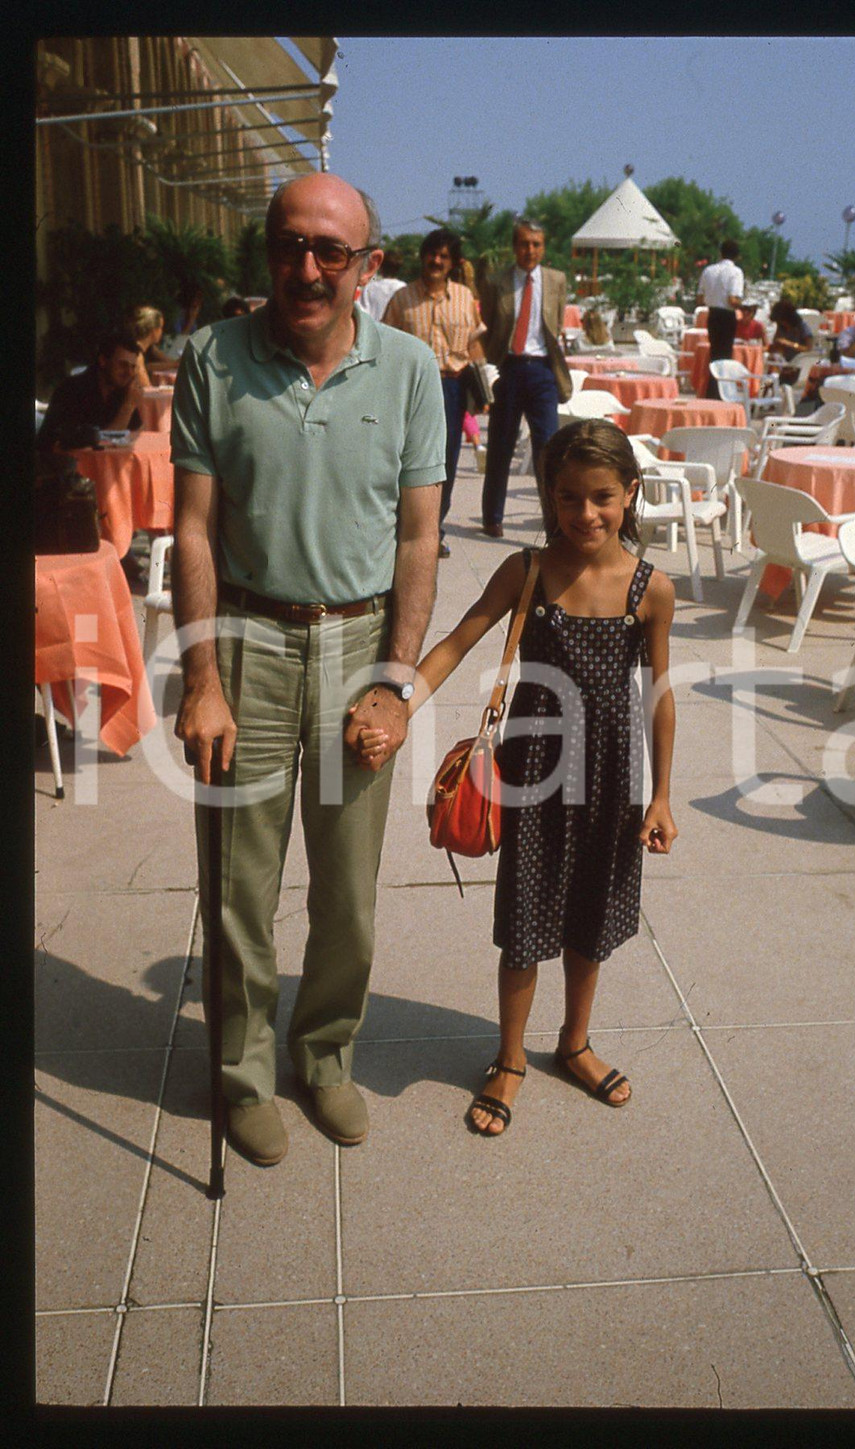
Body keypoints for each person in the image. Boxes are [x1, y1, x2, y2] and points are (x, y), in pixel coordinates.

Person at [169, 172, 445, 1167]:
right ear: (268, 252)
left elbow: (420, 541)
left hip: (356, 645)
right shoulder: (211, 358)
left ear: (369, 267)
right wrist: (200, 677)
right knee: (239, 885)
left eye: (333, 251)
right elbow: (191, 530)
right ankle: (242, 1074)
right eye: (291, 245)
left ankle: (323, 1056)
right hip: (243, 642)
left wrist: (397, 681)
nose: (309, 268)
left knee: (347, 886)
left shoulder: (412, 369)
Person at [362, 419, 678, 1135]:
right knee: (526, 925)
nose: (586, 513)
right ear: (549, 498)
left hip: (612, 781)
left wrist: (659, 793)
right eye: (569, 498)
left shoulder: (651, 589)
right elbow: (456, 640)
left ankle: (574, 1041)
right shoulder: (528, 571)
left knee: (593, 920)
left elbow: (661, 696)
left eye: (602, 496)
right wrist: (400, 701)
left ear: (631, 493)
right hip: (533, 778)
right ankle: (509, 1057)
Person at [382, 229, 486, 558]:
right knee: (407, 459)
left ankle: (434, 532)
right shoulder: (402, 299)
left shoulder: (465, 300)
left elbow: (474, 345)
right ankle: (403, 530)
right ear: (422, 257)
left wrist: (485, 387)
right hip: (410, 387)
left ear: (453, 262)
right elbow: (384, 345)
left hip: (452, 387)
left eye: (443, 256)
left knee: (446, 462)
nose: (436, 261)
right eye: (431, 254)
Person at [478, 218, 572, 537]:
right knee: (500, 446)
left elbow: (556, 323)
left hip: (543, 371)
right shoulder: (496, 281)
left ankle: (554, 522)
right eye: (523, 243)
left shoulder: (557, 280)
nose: (529, 250)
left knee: (548, 449)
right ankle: (492, 517)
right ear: (514, 246)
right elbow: (490, 325)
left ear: (543, 247)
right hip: (509, 369)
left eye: (536, 244)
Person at [37, 330, 143, 450]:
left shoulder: (122, 389)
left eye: (132, 367)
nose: (129, 372)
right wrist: (128, 407)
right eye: (123, 365)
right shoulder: (72, 390)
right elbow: (94, 444)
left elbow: (134, 433)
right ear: (103, 361)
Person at [695, 240, 744, 399]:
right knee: (724, 355)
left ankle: (712, 390)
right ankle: (721, 393)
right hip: (726, 316)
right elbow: (732, 299)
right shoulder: (736, 272)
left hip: (713, 315)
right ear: (737, 256)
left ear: (720, 253)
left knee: (714, 353)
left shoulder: (708, 270)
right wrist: (744, 305)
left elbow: (700, 298)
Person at [767, 299, 814, 384]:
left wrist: (789, 344)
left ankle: (773, 382)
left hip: (797, 365)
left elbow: (809, 349)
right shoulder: (781, 327)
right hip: (783, 362)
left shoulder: (802, 327)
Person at [357, 248, 406, 321]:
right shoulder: (403, 289)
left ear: (380, 266)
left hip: (370, 329)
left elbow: (361, 311)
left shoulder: (370, 287)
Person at [130, 305, 173, 383]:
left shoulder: (150, 348)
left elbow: (168, 361)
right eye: (160, 328)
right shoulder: (137, 354)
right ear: (153, 330)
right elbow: (146, 387)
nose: (161, 332)